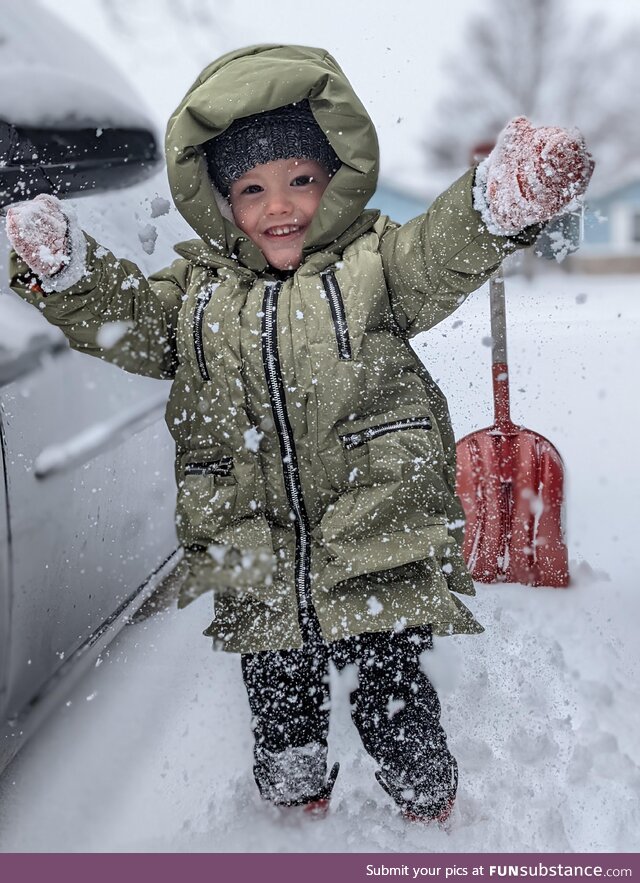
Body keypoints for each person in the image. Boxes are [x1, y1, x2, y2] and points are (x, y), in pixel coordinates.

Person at [5, 44, 593, 822]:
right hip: (257, 551)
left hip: (374, 535)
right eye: (250, 188)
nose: (278, 205)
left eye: (300, 180)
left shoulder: (376, 264)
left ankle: (432, 816)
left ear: (336, 180)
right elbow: (135, 324)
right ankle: (294, 817)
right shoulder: (196, 293)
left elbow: (439, 250)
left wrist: (494, 204)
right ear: (219, 202)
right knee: (282, 728)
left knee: (399, 709)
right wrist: (72, 271)